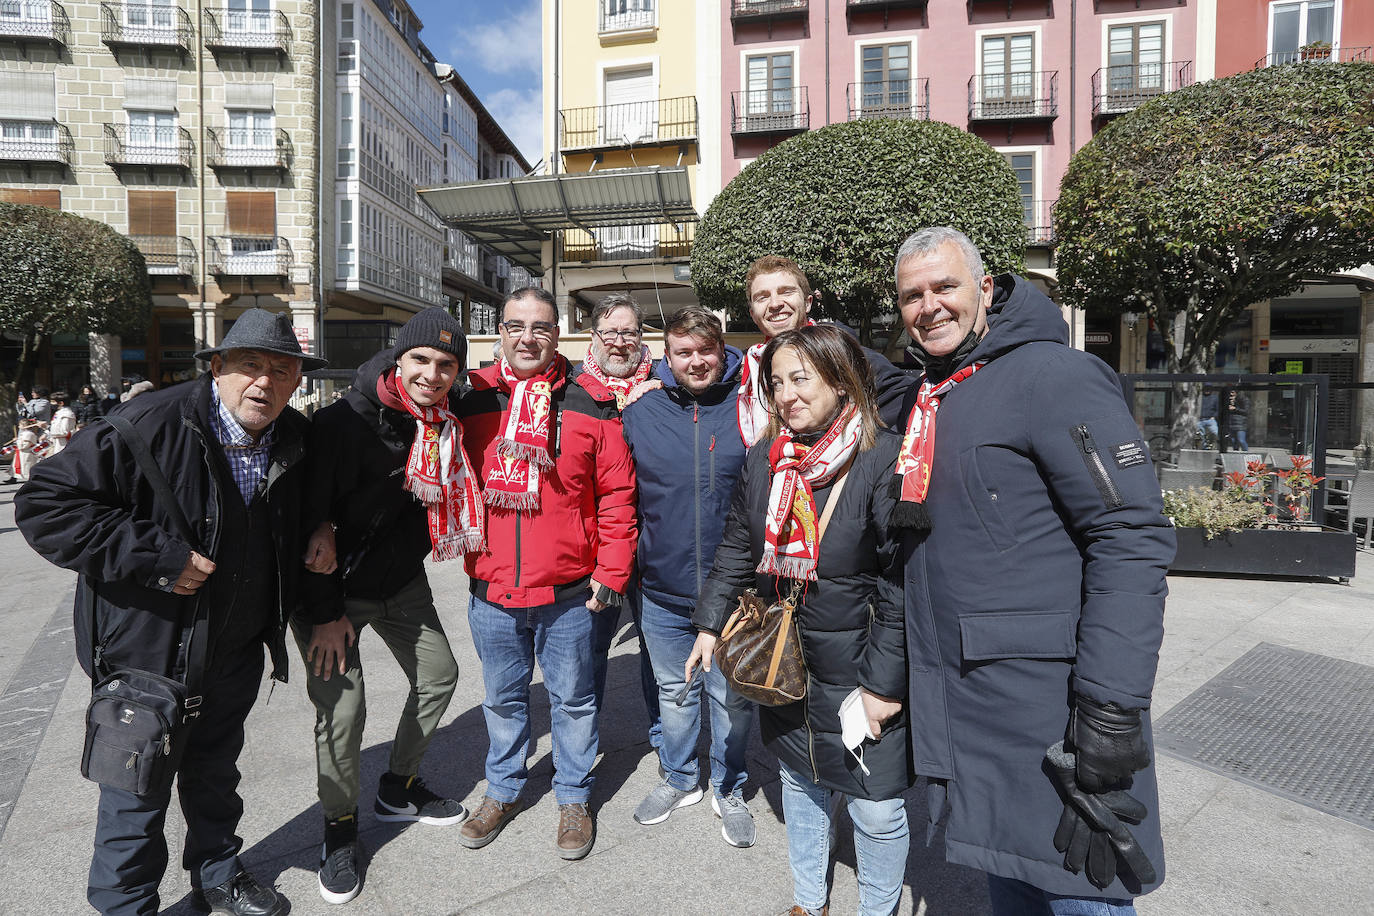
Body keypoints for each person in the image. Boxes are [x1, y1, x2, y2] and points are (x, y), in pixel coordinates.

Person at [890, 227, 1173, 914]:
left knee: (1083, 890)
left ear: (986, 289)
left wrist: (1110, 707)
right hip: (972, 718)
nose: (929, 306)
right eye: (911, 296)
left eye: (944, 287)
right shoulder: (931, 396)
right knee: (1008, 885)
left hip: (1052, 721)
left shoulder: (1055, 376)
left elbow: (1130, 534)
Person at [14, 309, 324, 916]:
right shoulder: (147, 423)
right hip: (148, 655)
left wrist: (323, 526)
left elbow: (291, 514)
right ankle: (127, 907)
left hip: (232, 649)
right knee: (135, 797)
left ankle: (219, 876)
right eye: (249, 366)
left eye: (282, 370)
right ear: (217, 368)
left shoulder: (291, 436)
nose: (264, 382)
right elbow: (44, 505)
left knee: (215, 777)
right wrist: (159, 556)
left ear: (296, 381)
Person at [691, 324, 911, 916]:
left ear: (841, 382)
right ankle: (808, 903)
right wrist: (711, 621)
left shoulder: (882, 459)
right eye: (777, 382)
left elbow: (901, 583)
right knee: (802, 782)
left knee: (875, 807)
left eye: (801, 378)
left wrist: (883, 684)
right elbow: (739, 542)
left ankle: (877, 909)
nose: (787, 394)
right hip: (785, 660)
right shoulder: (767, 458)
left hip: (859, 668)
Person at [295, 307, 475, 905]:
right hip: (334, 592)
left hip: (400, 582)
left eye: (446, 364)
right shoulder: (342, 422)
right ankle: (339, 830)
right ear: (399, 359)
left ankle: (397, 786)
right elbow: (307, 525)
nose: (433, 374)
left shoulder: (442, 422)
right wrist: (323, 612)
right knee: (345, 712)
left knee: (439, 676)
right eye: (421, 360)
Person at [454, 286, 637, 860]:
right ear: (501, 333)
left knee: (574, 702)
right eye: (515, 327)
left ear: (559, 335)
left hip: (569, 596)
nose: (527, 338)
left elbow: (616, 496)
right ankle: (504, 789)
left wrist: (612, 572)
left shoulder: (590, 402)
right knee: (504, 701)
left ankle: (573, 797)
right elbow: (401, 400)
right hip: (492, 593)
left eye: (540, 327)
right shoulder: (471, 399)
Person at [620, 306, 756, 846]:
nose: (696, 361)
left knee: (729, 699)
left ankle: (729, 785)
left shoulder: (750, 406)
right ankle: (679, 778)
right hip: (663, 588)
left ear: (721, 350)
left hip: (733, 591)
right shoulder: (640, 411)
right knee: (676, 693)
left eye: (706, 350)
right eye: (684, 352)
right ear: (667, 357)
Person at [574, 293, 662, 753]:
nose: (621, 342)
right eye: (610, 332)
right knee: (588, 653)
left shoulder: (666, 380)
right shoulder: (570, 386)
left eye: (630, 332)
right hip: (598, 544)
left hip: (654, 541)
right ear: (594, 336)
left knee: (658, 651)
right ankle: (580, 751)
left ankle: (667, 743)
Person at [736, 254, 911, 447]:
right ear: (752, 315)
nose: (775, 304)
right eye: (763, 297)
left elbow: (905, 403)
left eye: (786, 292)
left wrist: (849, 431)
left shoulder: (843, 354)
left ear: (808, 302)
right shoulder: (748, 370)